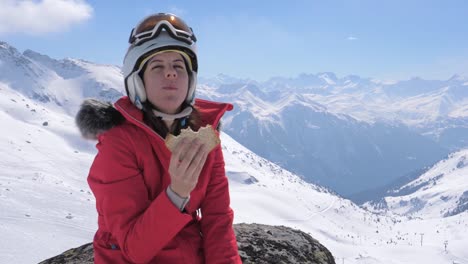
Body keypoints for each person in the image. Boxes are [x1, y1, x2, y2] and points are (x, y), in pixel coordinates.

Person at [76, 13, 241, 263]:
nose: (171, 74)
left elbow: (216, 218)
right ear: (137, 81)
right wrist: (177, 193)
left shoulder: (205, 134)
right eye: (157, 67)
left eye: (178, 66)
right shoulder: (118, 142)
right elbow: (134, 248)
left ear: (191, 79)